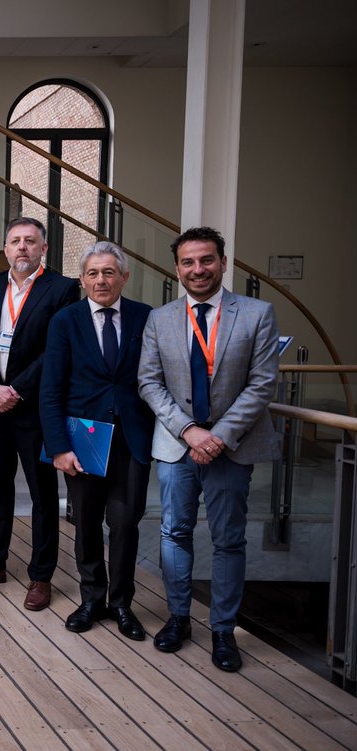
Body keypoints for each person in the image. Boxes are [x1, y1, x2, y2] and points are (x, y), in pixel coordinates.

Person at [138, 226, 279, 672]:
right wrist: (190, 432)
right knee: (173, 532)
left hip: (232, 449)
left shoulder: (257, 313)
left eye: (206, 260)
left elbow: (262, 384)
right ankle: (179, 618)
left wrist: (218, 436)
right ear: (177, 268)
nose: (197, 269)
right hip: (178, 447)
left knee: (228, 541)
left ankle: (223, 630)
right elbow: (149, 382)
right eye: (188, 262)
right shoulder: (160, 319)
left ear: (222, 261)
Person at [0, 216, 79, 611]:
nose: (22, 247)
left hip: (35, 408)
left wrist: (16, 389)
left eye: (30, 241)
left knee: (42, 496)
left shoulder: (63, 289)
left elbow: (56, 351)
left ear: (43, 248)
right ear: (5, 249)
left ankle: (41, 576)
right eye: (15, 241)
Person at [39, 242, 153, 640]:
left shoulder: (145, 318)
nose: (101, 280)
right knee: (86, 522)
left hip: (132, 440)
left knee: (124, 524)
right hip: (82, 441)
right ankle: (91, 599)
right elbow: (50, 389)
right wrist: (58, 447)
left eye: (109, 272)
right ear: (83, 279)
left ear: (124, 276)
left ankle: (122, 604)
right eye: (93, 273)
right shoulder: (66, 321)